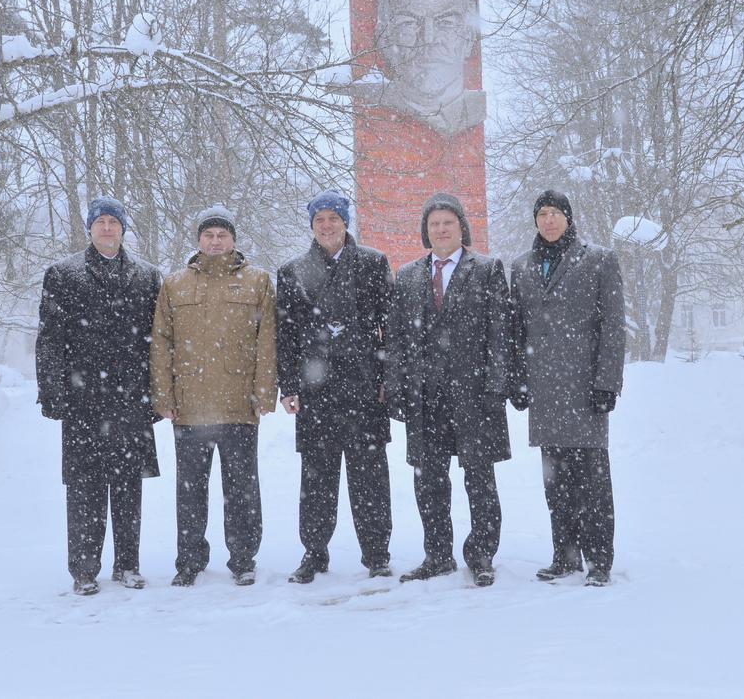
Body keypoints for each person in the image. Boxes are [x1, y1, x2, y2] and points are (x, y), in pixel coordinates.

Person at [35, 196, 163, 596]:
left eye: (114, 221)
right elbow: (50, 339)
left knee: (128, 486)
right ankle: (84, 569)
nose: (107, 228)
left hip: (130, 399)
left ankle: (127, 564)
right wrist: (52, 391)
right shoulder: (63, 274)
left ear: (124, 228)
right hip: (83, 399)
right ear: (90, 228)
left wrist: (156, 395)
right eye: (100, 222)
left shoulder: (147, 276)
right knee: (85, 487)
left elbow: (157, 342)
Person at [386, 192, 511, 586]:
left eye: (448, 223)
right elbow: (397, 338)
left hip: (473, 395)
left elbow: (500, 335)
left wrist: (496, 387)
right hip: (425, 397)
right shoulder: (406, 275)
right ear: (426, 231)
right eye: (434, 224)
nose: (441, 229)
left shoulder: (488, 270)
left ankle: (481, 555)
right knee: (429, 481)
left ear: (462, 228)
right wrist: (398, 387)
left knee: (480, 479)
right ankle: (437, 555)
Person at [150, 205, 277, 587]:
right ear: (199, 240)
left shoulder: (257, 282)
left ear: (234, 240)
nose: (216, 241)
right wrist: (163, 395)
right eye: (209, 235)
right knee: (190, 491)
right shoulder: (175, 285)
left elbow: (267, 341)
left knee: (241, 488)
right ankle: (189, 560)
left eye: (223, 235)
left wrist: (264, 393)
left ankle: (243, 558)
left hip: (239, 405)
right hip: (189, 407)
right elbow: (161, 343)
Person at [509, 190, 626, 587]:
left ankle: (599, 560)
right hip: (544, 390)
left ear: (568, 218)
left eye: (555, 213)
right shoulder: (522, 266)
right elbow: (517, 331)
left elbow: (613, 327)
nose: (548, 220)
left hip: (584, 389)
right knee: (555, 480)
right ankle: (566, 555)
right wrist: (518, 380)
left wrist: (607, 383)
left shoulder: (598, 260)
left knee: (592, 481)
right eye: (541, 214)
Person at [277, 190, 394, 583]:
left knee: (370, 477)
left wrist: (385, 380)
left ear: (346, 221)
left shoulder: (373, 264)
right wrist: (288, 385)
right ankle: (314, 552)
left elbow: (388, 328)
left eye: (334, 218)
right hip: (317, 390)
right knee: (317, 478)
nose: (327, 226)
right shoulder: (293, 271)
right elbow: (286, 335)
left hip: (364, 388)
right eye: (320, 219)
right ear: (311, 225)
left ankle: (376, 552)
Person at [347, 0, 486, 138]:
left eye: (445, 23)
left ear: (468, 38)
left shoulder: (476, 110)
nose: (428, 38)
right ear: (384, 38)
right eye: (409, 23)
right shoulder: (368, 103)